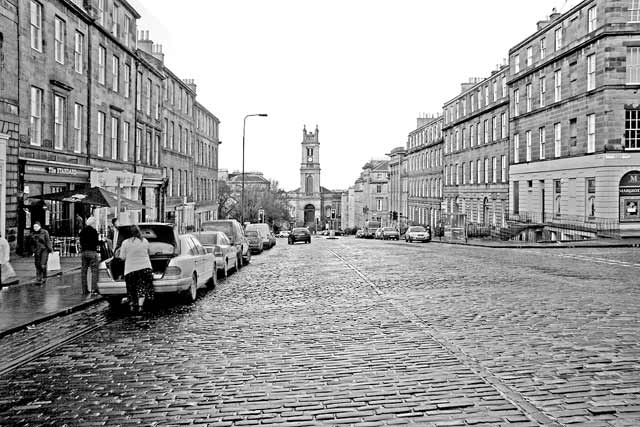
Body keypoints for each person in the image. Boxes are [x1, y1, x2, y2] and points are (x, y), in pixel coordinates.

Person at [117, 225, 154, 313]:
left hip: (130, 270)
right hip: (145, 268)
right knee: (142, 288)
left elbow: (122, 257)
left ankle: (132, 306)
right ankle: (141, 306)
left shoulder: (125, 243)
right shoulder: (144, 241)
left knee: (131, 289)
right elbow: (149, 253)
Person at [79, 216, 100, 295]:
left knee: (84, 271)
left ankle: (84, 290)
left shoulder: (82, 231)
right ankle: (94, 289)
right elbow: (96, 242)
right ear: (93, 223)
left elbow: (80, 242)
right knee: (94, 271)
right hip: (92, 252)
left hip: (84, 252)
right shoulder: (94, 231)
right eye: (95, 223)